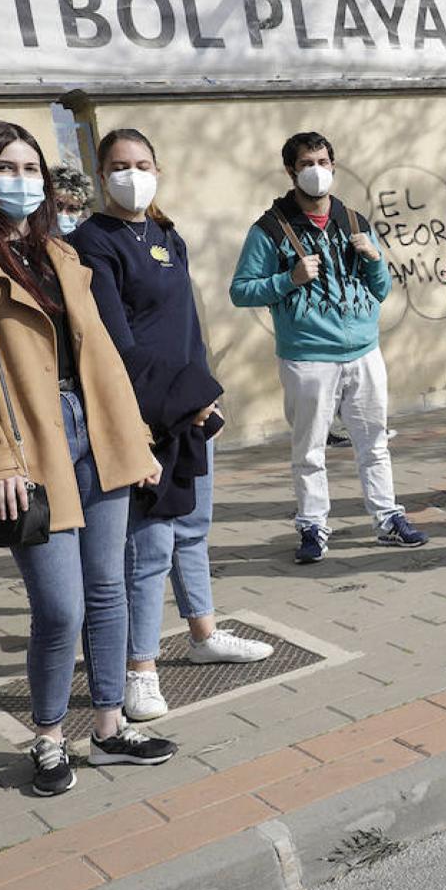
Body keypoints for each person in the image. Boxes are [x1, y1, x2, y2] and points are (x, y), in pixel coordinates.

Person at [0, 121, 178, 795]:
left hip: (98, 430)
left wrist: (136, 442)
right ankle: (48, 735)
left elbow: (103, 356)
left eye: (33, 169)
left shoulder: (61, 256)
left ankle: (111, 726)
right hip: (29, 442)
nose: (24, 181)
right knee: (60, 609)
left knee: (108, 591)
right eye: (9, 167)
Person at [74, 129, 273, 724]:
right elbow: (114, 342)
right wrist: (170, 408)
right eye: (119, 166)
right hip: (145, 412)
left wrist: (204, 395)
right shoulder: (93, 241)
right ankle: (140, 669)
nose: (132, 175)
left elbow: (187, 326)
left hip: (191, 406)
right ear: (101, 174)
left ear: (157, 170)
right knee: (150, 547)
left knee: (193, 528)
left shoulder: (166, 235)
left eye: (141, 164)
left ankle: (204, 633)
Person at [229, 131, 429, 563]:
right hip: (307, 356)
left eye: (322, 161)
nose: (316, 171)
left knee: (374, 441)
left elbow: (380, 291)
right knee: (309, 449)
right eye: (305, 163)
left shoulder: (354, 221)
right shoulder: (270, 229)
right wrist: (289, 279)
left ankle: (387, 517)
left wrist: (375, 260)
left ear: (333, 166)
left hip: (363, 350)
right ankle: (313, 525)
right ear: (290, 171)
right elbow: (241, 291)